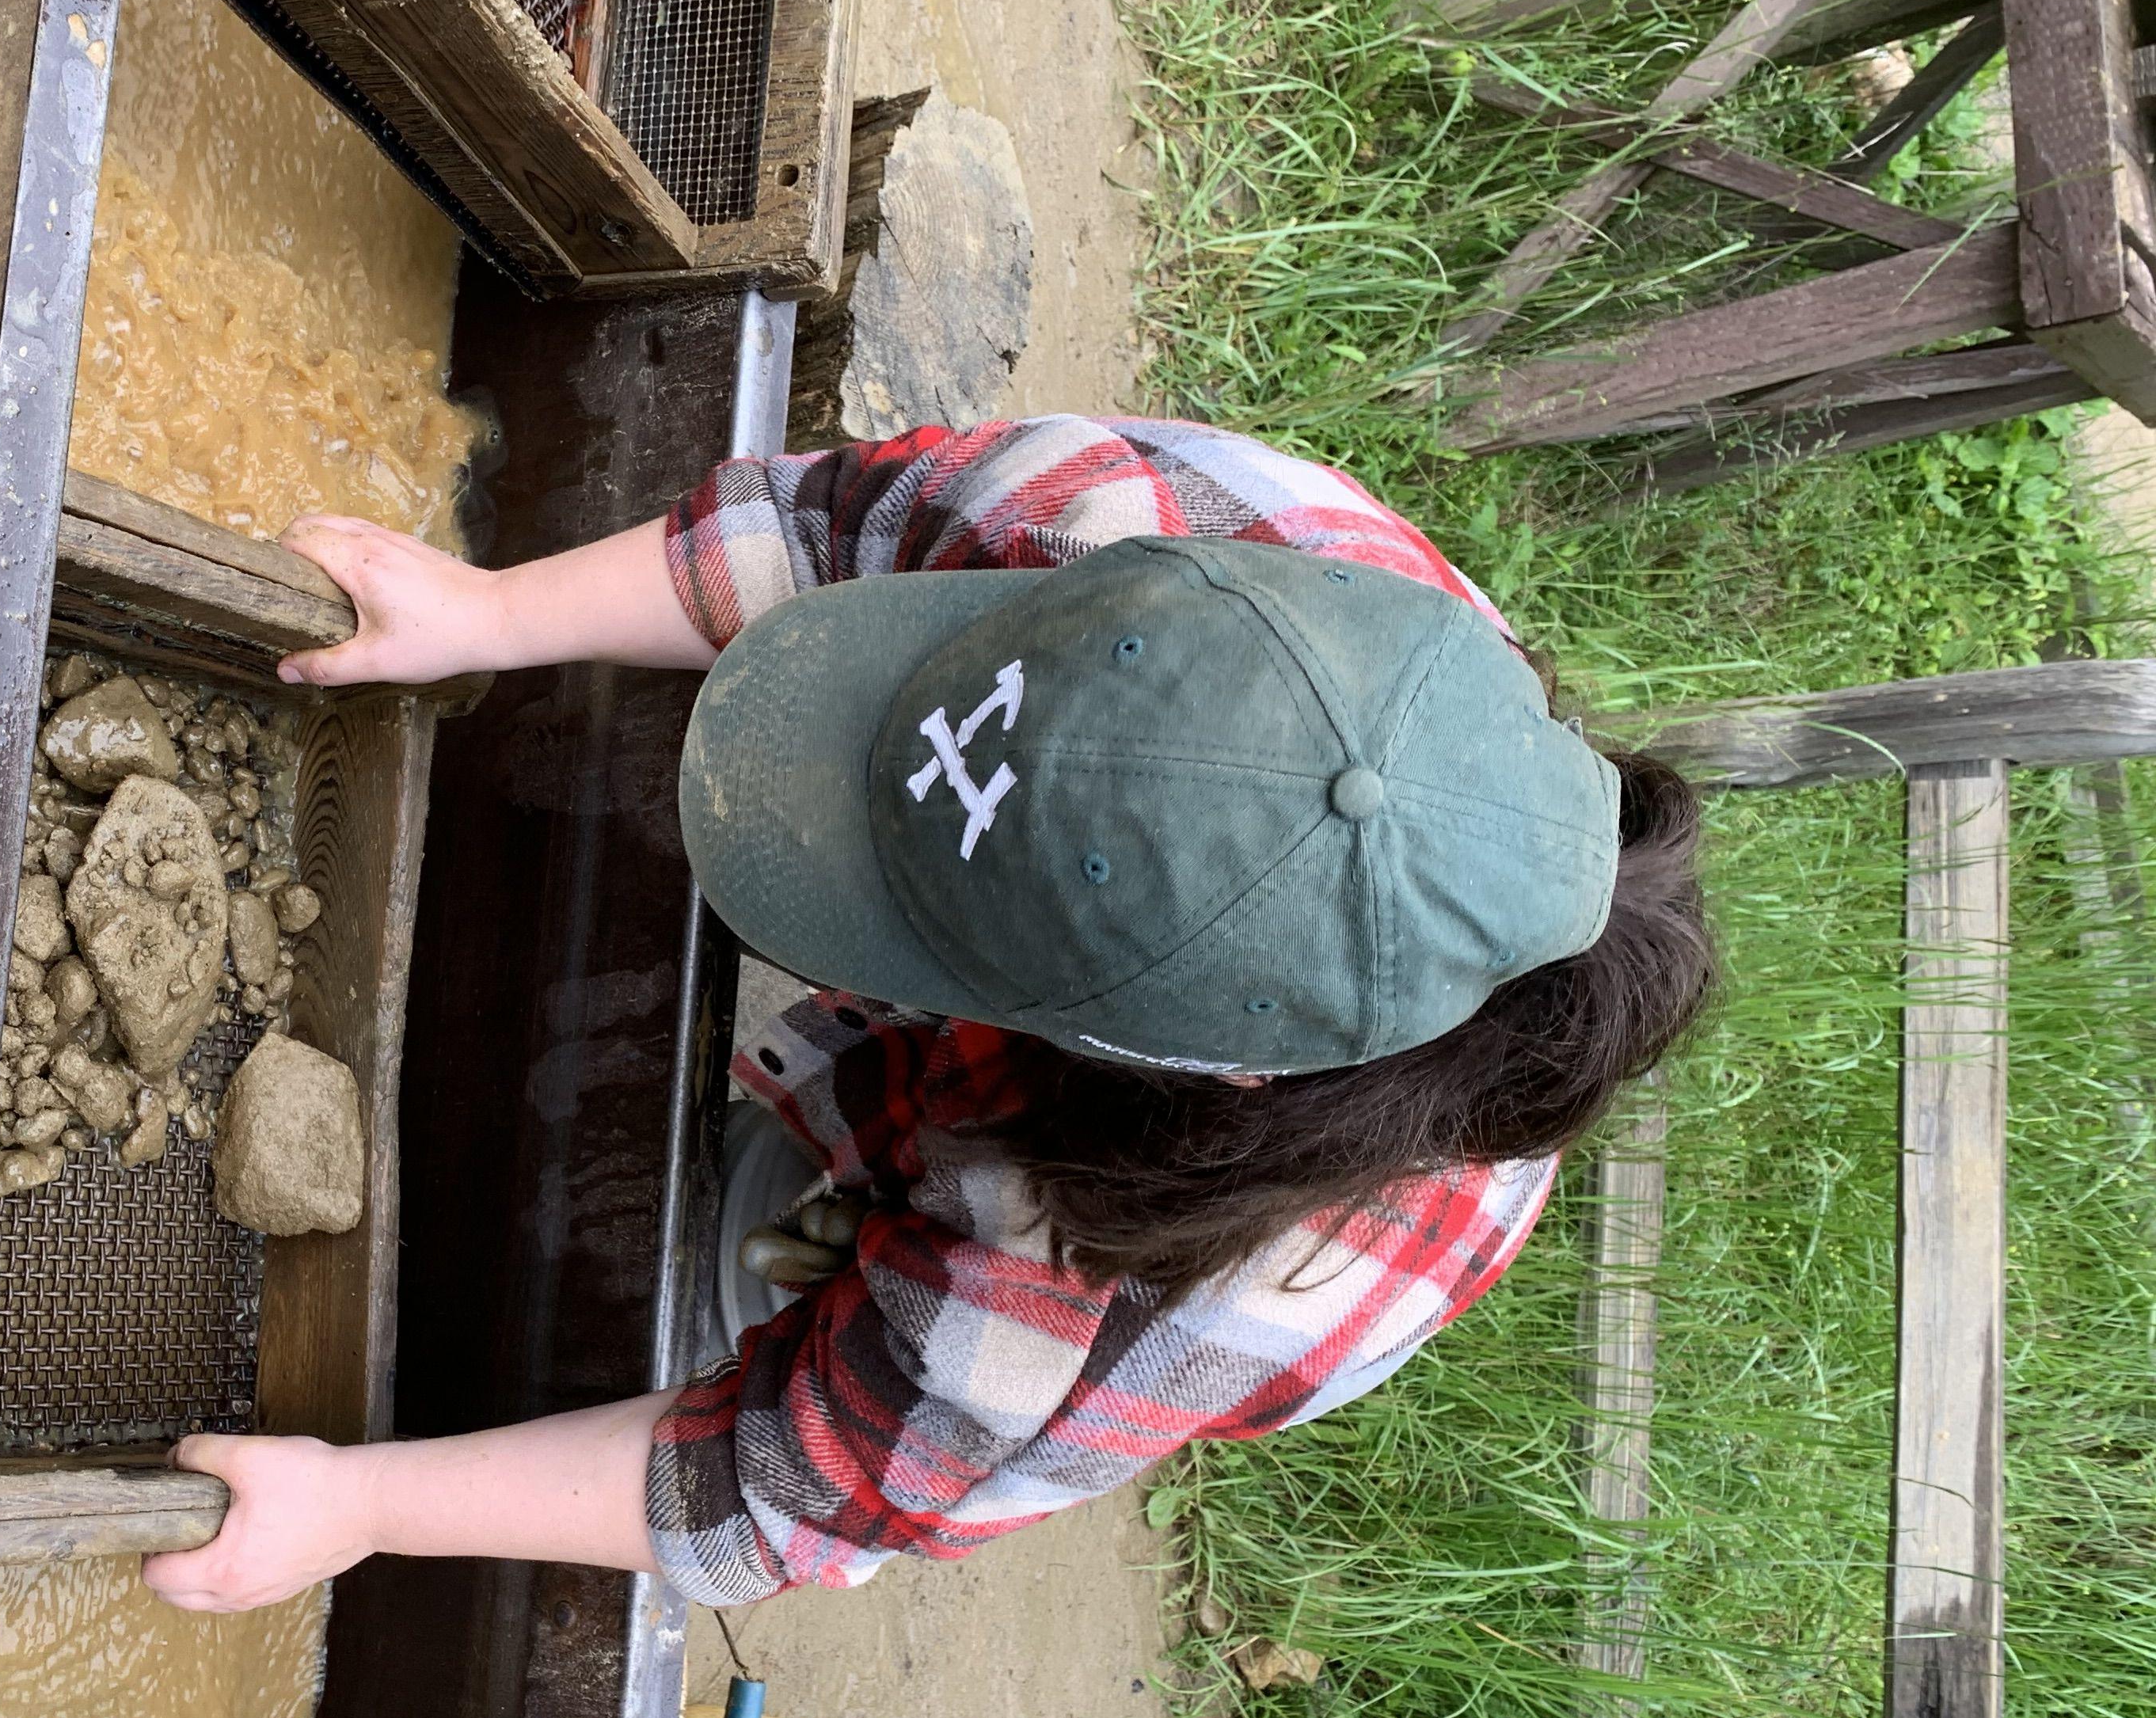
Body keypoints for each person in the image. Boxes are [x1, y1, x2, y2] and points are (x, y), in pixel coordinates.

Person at [154, 414, 1714, 1616]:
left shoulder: (1137, 1303)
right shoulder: (1207, 542)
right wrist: (488, 611)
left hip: (1147, 1199)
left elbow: (770, 1486)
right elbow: (846, 521)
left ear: (1166, 1067)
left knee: (880, 1307)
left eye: (920, 936)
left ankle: (875, 1201)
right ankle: (882, 1120)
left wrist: (359, 1507)